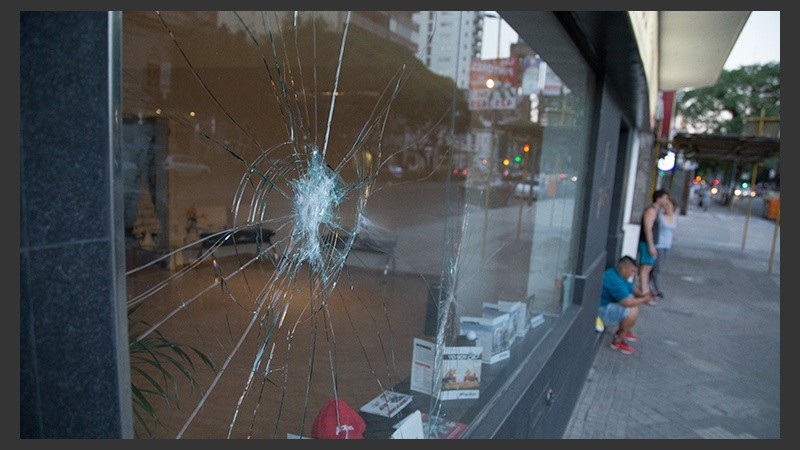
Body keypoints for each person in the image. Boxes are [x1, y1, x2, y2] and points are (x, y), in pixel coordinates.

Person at [598, 255, 656, 354]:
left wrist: (644, 295)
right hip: (600, 310)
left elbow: (632, 289)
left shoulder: (617, 274)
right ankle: (618, 341)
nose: (633, 274)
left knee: (633, 300)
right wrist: (644, 299)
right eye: (632, 271)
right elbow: (626, 302)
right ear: (624, 269)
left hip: (607, 304)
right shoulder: (614, 280)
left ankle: (624, 329)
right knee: (631, 310)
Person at [637, 189, 670, 302]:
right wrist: (651, 245)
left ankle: (644, 291)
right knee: (646, 268)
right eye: (665, 198)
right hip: (646, 243)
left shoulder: (656, 210)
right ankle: (644, 294)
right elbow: (648, 228)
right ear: (658, 198)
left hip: (651, 243)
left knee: (648, 267)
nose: (666, 201)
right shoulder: (651, 210)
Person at [650, 195, 677, 298]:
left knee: (660, 266)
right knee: (657, 267)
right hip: (659, 244)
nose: (666, 206)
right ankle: (657, 289)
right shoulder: (660, 216)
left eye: (668, 205)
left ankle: (651, 286)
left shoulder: (674, 217)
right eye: (665, 204)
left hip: (667, 245)